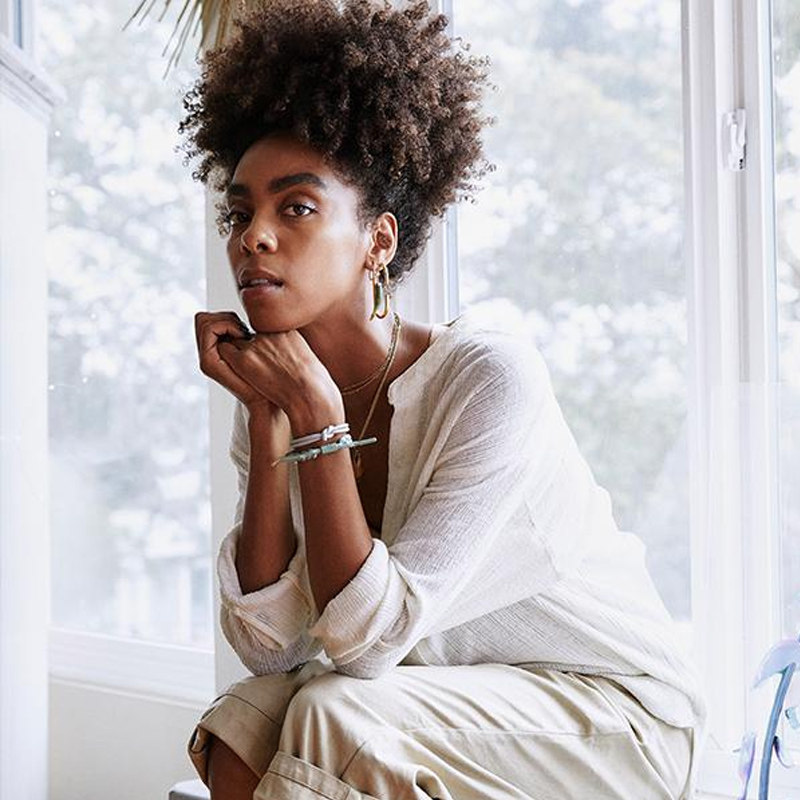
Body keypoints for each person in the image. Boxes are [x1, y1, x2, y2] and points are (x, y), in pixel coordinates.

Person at [182, 1, 708, 798]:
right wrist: (266, 421)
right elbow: (269, 647)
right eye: (240, 211)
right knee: (243, 721)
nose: (253, 235)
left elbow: (364, 647)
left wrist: (318, 419)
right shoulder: (276, 393)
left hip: (619, 718)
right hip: (453, 699)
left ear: (378, 241)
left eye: (296, 207)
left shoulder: (487, 377)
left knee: (332, 715)